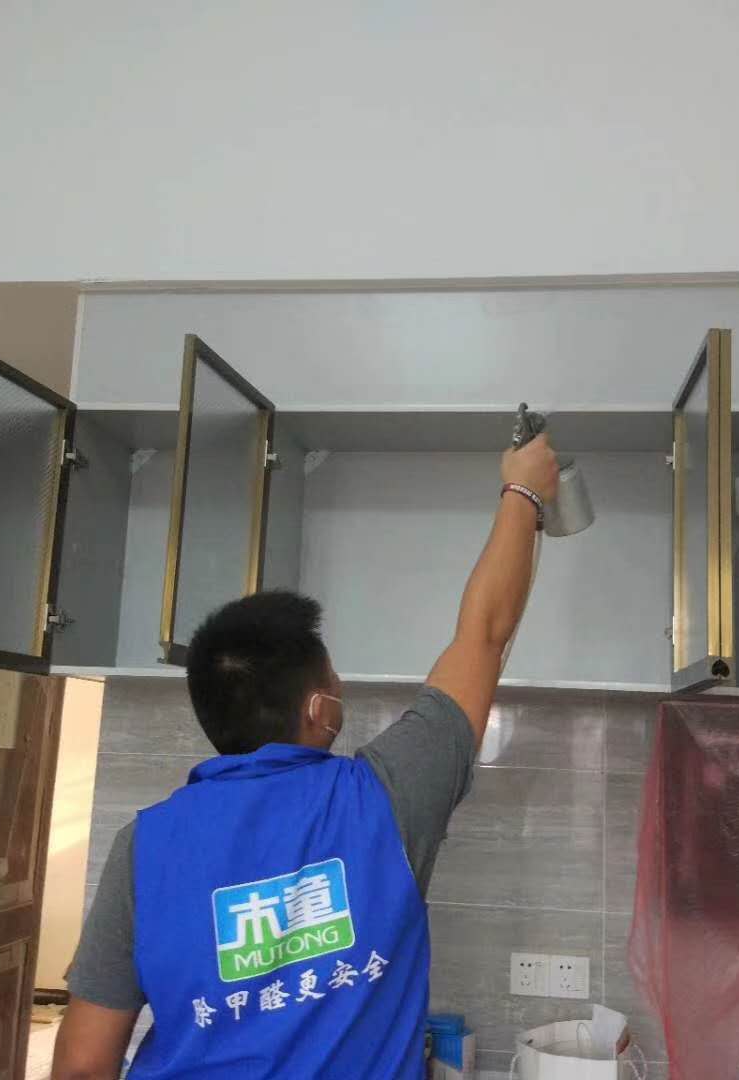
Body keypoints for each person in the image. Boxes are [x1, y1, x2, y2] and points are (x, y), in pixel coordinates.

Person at [51, 435, 559, 1080]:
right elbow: (482, 634)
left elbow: (83, 1064)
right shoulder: (384, 799)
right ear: (321, 709)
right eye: (335, 683)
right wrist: (523, 489)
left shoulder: (142, 846)